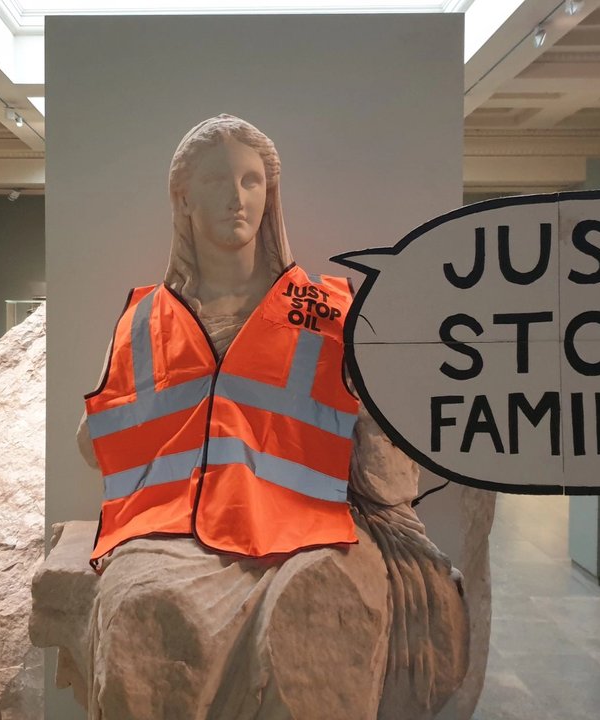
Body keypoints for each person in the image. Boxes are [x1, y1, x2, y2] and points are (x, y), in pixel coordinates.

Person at [47, 115, 471, 719]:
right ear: (183, 198)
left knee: (321, 613)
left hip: (308, 525)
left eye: (251, 181)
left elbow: (381, 449)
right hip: (169, 530)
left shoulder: (329, 309)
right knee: (142, 617)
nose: (237, 197)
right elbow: (95, 442)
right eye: (216, 180)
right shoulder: (145, 318)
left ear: (270, 195)